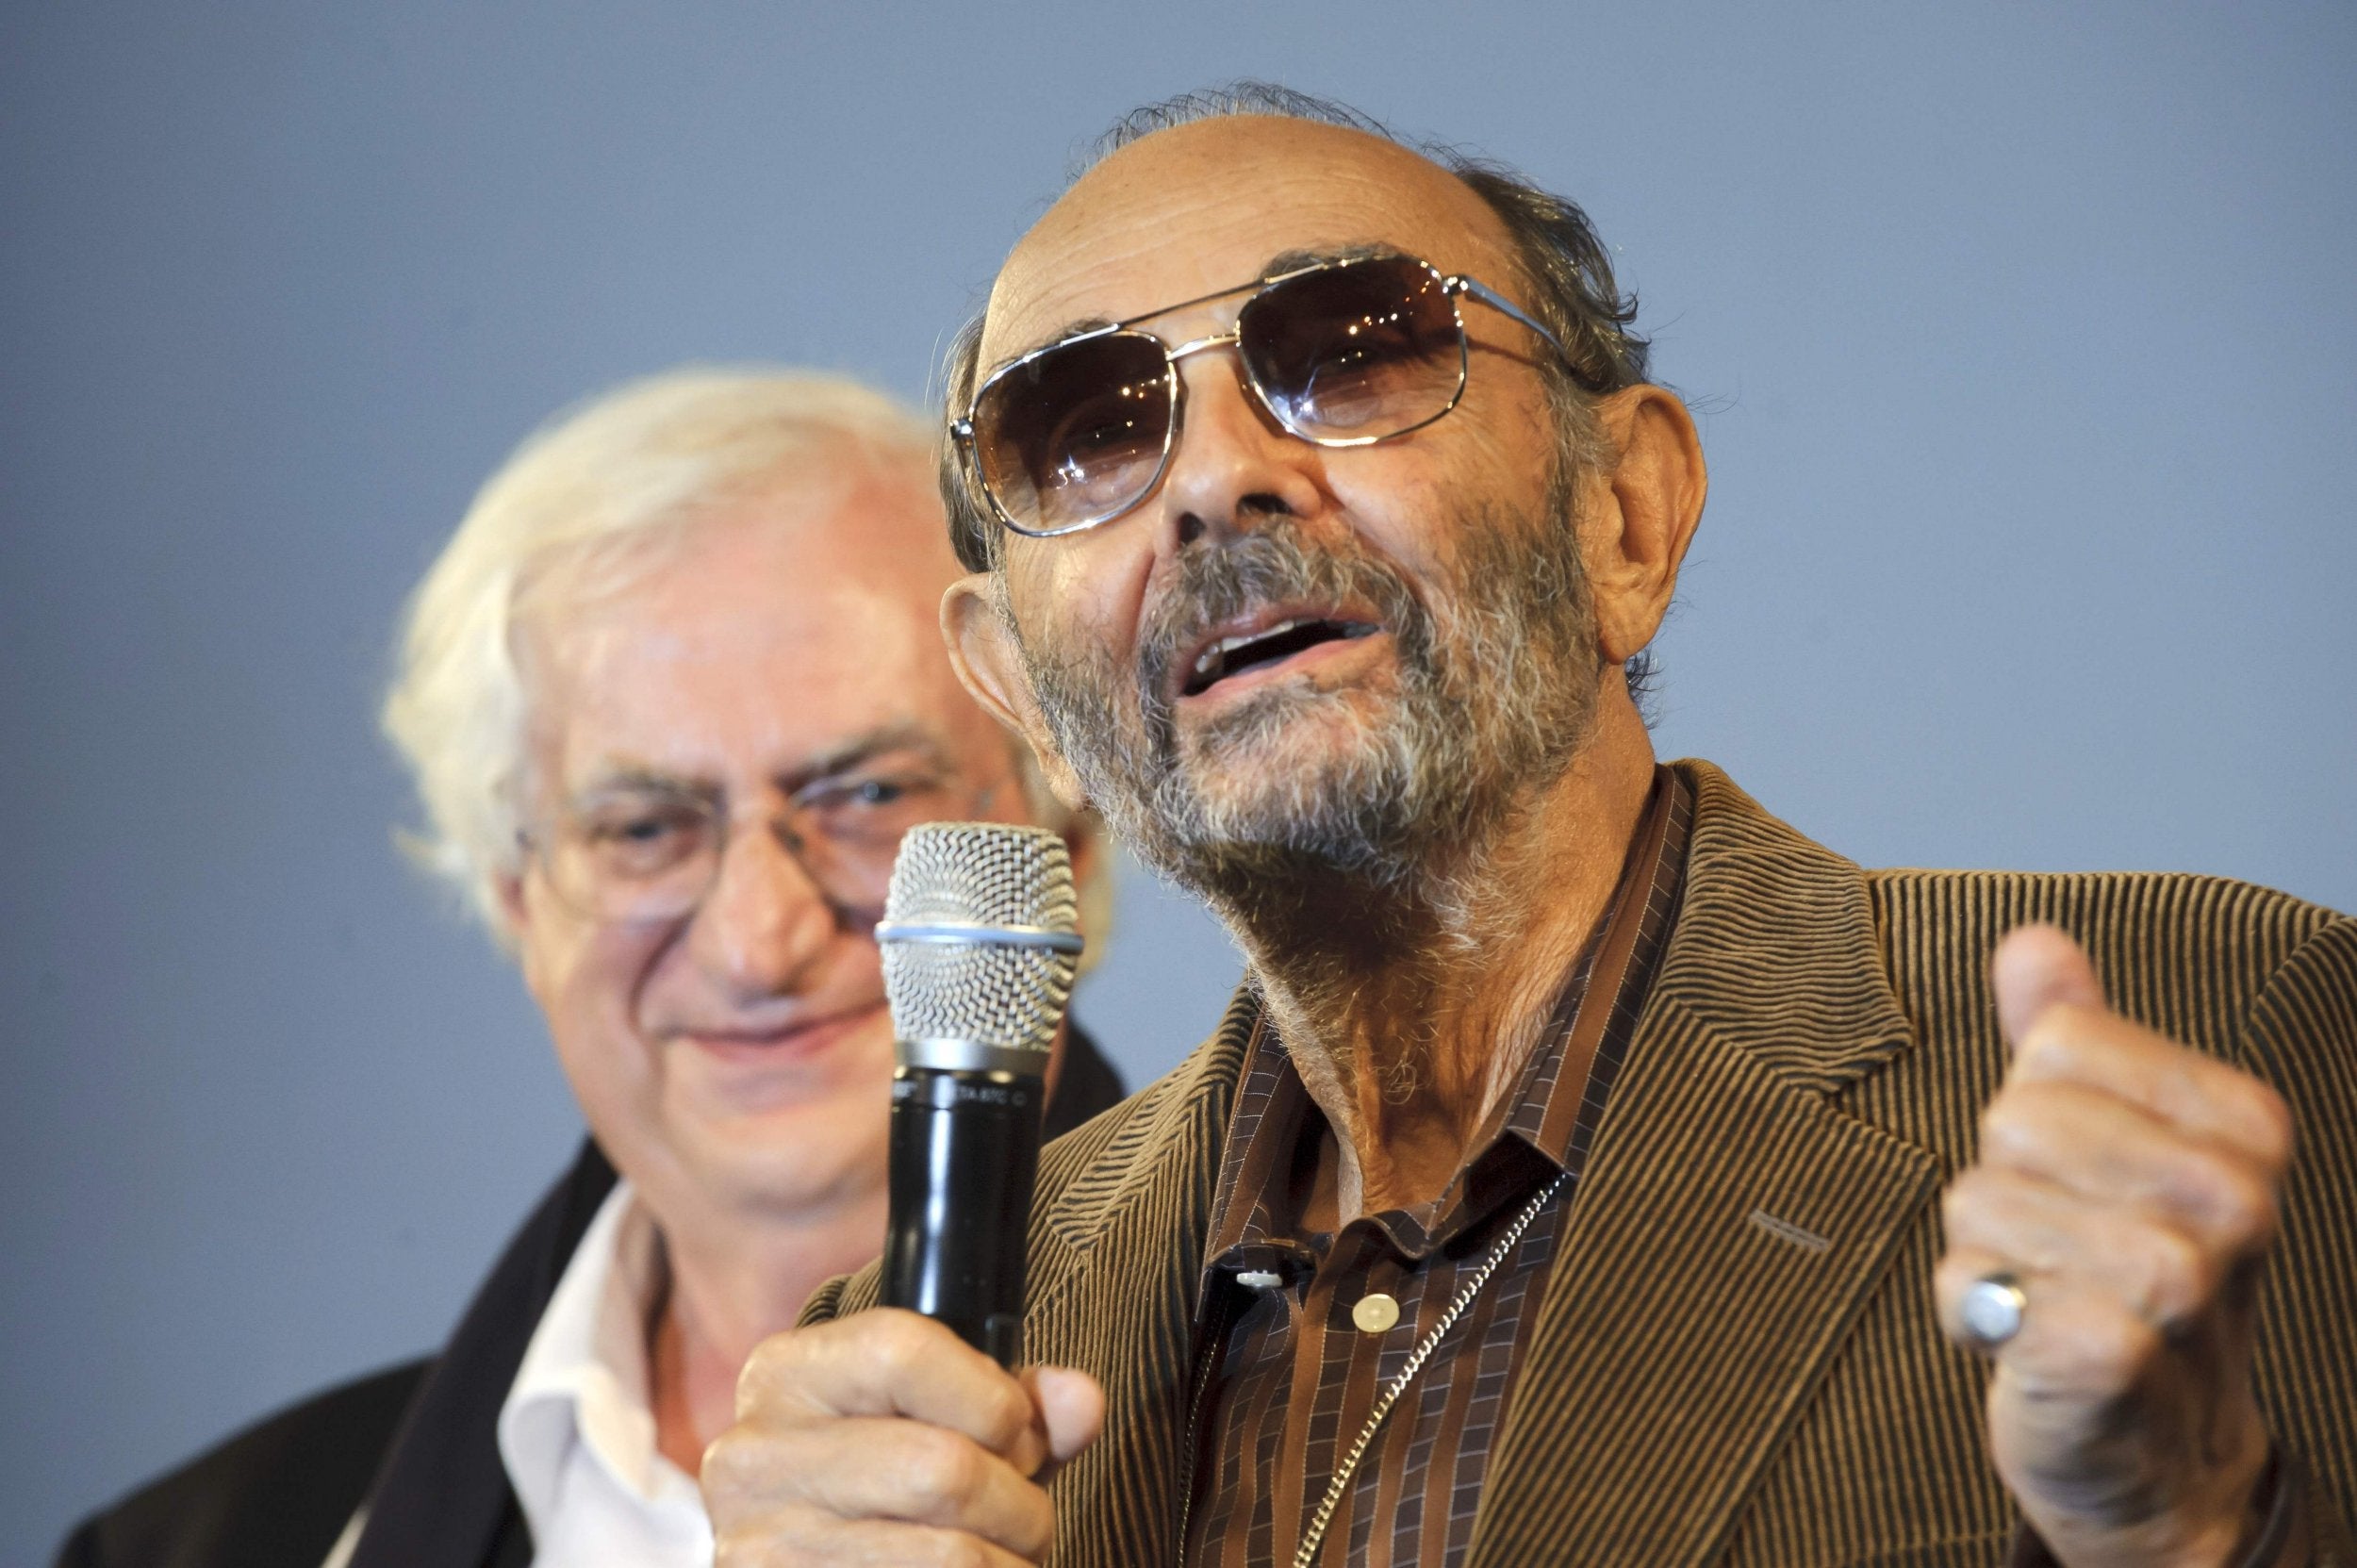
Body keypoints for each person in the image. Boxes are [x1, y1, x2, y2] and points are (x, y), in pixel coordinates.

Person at [701, 89, 2357, 1567]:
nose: (1214, 479)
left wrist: (2192, 1526)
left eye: (1348, 353)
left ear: (1623, 512)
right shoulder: (909, 1397)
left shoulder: (2218, 1034)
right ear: (1019, 692)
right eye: (1085, 435)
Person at [56, 370, 1127, 1568]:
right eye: (641, 828)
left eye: (868, 794)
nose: (755, 942)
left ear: (1067, 840)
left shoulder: (1323, 1424)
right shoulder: (210, 1545)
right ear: (518, 904)